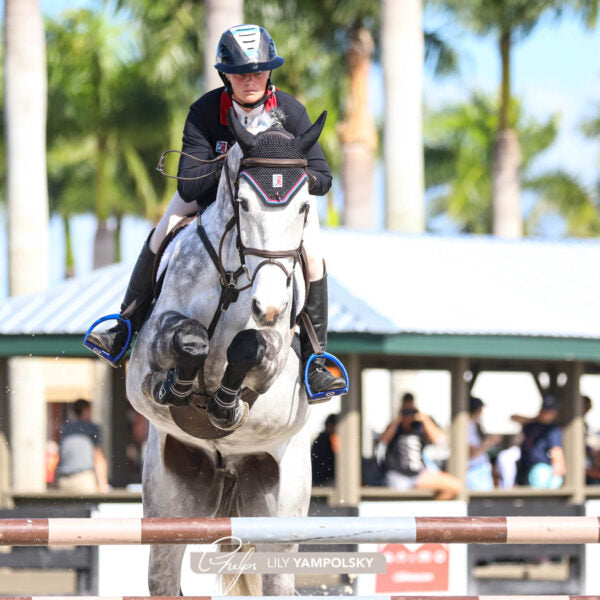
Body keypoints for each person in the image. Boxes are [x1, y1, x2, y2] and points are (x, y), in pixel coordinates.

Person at [85, 24, 344, 407]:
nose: (250, 79)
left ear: (270, 71)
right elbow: (189, 186)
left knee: (315, 257)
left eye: (258, 70)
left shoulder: (291, 111)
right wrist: (235, 165)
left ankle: (315, 358)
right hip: (214, 203)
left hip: (276, 208)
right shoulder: (206, 111)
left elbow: (322, 177)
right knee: (164, 229)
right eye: (241, 72)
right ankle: (125, 325)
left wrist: (276, 173)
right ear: (226, 74)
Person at [379, 393, 462, 500]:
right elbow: (383, 441)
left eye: (411, 411)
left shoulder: (420, 426)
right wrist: (398, 419)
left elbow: (439, 439)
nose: (409, 415)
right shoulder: (395, 426)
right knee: (399, 502)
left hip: (418, 474)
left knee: (454, 485)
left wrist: (424, 419)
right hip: (397, 475)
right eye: (406, 411)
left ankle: (431, 515)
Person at [56, 399, 110, 493]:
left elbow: (60, 456)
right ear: (86, 410)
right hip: (83, 479)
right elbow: (98, 457)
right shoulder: (91, 428)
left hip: (63, 480)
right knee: (87, 507)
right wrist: (103, 485)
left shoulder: (66, 428)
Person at [515, 394, 565, 488]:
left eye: (549, 412)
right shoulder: (532, 425)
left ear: (554, 413)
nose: (546, 414)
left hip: (541, 469)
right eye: (544, 411)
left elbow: (556, 451)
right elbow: (514, 417)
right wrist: (536, 418)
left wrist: (559, 468)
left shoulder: (553, 429)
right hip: (525, 466)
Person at [467, 396, 501, 491]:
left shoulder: (475, 425)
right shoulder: (466, 426)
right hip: (472, 471)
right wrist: (489, 441)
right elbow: (472, 452)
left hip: (481, 469)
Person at [311, 413, 338, 486]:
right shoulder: (322, 441)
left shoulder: (327, 440)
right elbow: (329, 463)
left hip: (322, 480)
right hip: (323, 481)